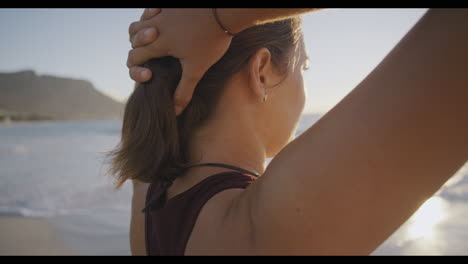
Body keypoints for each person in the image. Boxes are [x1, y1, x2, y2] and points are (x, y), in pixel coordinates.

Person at [113, 8, 467, 255]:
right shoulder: (264, 227)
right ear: (262, 71)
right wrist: (220, 17)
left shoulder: (146, 190)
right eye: (304, 67)